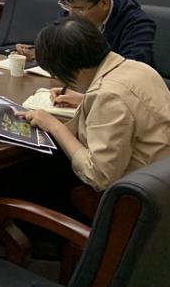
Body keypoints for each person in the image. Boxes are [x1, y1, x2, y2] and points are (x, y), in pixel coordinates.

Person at [21, 16, 170, 192]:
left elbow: (99, 177)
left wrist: (54, 126)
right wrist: (84, 100)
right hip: (160, 179)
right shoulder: (139, 68)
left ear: (69, 68)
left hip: (136, 196)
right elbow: (132, 109)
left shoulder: (108, 96)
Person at [13, 0, 156, 109]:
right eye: (66, 5)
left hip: (123, 101)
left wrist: (87, 99)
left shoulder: (137, 24)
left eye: (79, 9)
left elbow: (131, 73)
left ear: (104, 3)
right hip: (78, 87)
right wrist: (40, 52)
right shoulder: (72, 10)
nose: (70, 14)